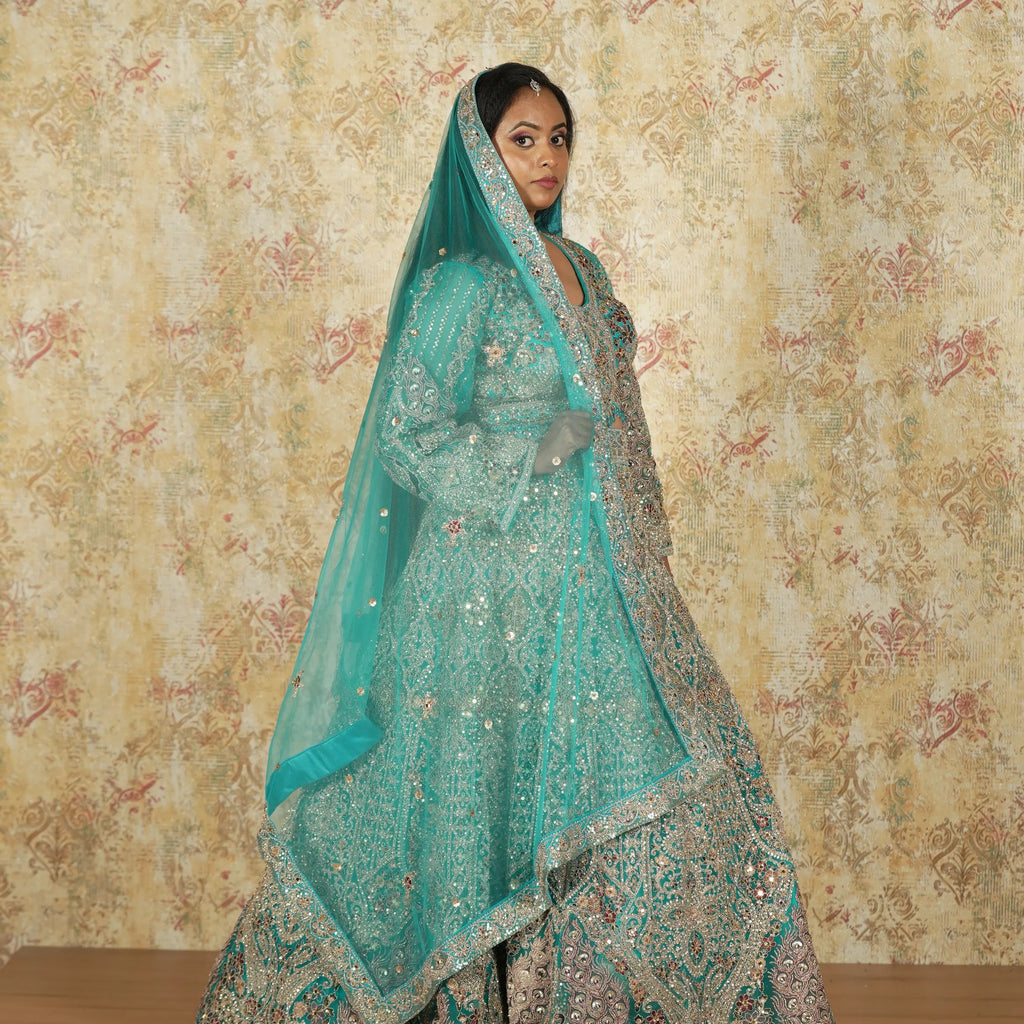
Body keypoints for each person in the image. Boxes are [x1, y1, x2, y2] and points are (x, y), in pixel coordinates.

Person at [197, 63, 834, 1024]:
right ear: (480, 156)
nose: (546, 157)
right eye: (522, 139)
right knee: (472, 806)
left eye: (559, 136)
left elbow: (623, 424)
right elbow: (407, 431)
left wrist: (645, 550)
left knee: (669, 776)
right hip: (481, 594)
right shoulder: (466, 283)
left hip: (602, 583)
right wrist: (526, 450)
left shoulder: (587, 269)